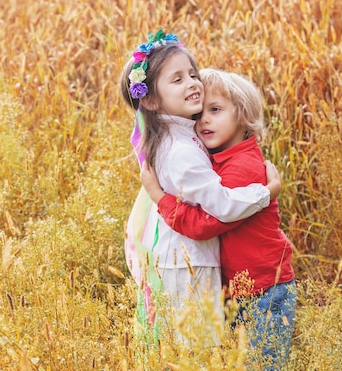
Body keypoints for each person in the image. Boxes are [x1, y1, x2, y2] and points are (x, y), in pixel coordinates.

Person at [120, 30, 281, 347]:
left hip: (185, 261)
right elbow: (221, 206)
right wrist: (268, 191)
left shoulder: (180, 136)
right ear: (150, 99)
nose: (193, 83)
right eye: (177, 79)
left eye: (192, 74)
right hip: (188, 263)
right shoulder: (181, 150)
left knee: (187, 345)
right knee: (196, 347)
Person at [140, 68, 296, 369]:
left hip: (265, 290)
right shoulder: (218, 159)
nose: (205, 121)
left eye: (215, 110)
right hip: (242, 290)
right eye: (200, 115)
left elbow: (206, 223)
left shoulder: (244, 168)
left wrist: (159, 197)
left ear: (243, 117)